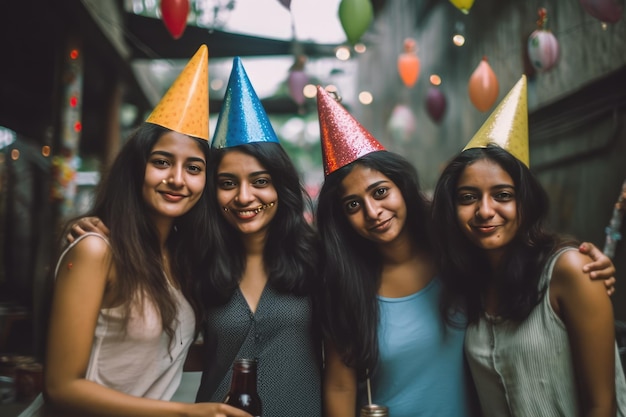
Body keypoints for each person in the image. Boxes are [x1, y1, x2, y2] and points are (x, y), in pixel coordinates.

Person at [313, 85, 617, 417]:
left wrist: (582, 266)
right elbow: (340, 386)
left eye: (381, 191)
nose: (373, 211)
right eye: (353, 204)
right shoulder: (349, 284)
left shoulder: (457, 257)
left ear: (404, 189)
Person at [67, 57, 323, 417]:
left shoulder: (316, 257)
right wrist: (85, 233)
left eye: (261, 182)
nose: (245, 197)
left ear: (281, 187)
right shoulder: (196, 258)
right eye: (228, 183)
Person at [23, 45, 251, 417]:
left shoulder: (183, 257)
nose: (177, 179)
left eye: (194, 168)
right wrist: (188, 413)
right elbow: (60, 388)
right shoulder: (97, 250)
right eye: (162, 162)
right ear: (137, 169)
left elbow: (158, 354)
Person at [431, 75, 626, 416]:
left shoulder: (571, 271)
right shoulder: (466, 283)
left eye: (503, 195)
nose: (485, 211)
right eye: (468, 197)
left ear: (526, 203)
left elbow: (602, 405)